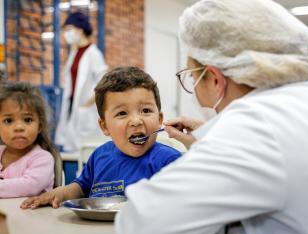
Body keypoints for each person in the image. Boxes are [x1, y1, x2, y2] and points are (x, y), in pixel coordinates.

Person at [115, 0, 308, 234]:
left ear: (214, 79)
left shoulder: (257, 125)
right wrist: (210, 139)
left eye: (192, 77)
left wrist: (219, 141)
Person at [21, 67, 181, 209]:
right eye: (122, 113)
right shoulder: (100, 156)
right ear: (104, 126)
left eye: (146, 110)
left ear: (160, 119)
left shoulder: (170, 161)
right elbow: (80, 187)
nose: (136, 121)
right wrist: (59, 194)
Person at [55, 11, 108, 152]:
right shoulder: (74, 53)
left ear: (80, 29)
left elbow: (104, 83)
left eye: (68, 29)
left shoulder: (94, 54)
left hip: (86, 109)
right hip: (72, 105)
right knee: (71, 149)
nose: (66, 33)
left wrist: (87, 104)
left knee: (86, 151)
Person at [0, 82, 61, 198]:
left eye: (27, 120)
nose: (19, 127)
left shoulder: (43, 158)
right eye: (8, 121)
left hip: (33, 216)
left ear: (40, 126)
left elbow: (29, 186)